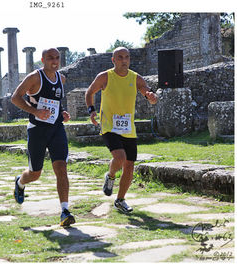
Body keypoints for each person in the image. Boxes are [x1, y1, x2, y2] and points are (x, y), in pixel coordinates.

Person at [85, 47, 158, 213]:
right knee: (119, 157)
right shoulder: (105, 77)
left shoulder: (135, 77)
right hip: (109, 125)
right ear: (113, 60)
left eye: (126, 57)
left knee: (129, 166)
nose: (124, 60)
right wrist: (91, 110)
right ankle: (110, 175)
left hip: (128, 128)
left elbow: (146, 91)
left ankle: (120, 200)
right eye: (120, 57)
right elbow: (89, 92)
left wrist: (151, 97)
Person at [11, 48, 75, 227]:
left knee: (61, 167)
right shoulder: (34, 77)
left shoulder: (61, 79)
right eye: (50, 58)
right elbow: (15, 98)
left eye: (57, 58)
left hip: (56, 129)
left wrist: (62, 113)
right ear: (42, 60)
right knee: (35, 173)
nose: (54, 61)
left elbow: (55, 103)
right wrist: (35, 111)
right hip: (37, 130)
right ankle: (20, 181)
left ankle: (65, 211)